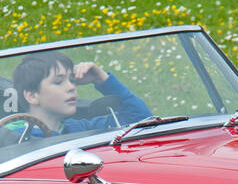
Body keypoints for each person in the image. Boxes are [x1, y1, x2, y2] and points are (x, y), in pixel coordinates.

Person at [11, 52, 151, 139]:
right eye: (59, 82)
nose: (71, 87)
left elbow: (141, 120)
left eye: (71, 80)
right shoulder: (13, 136)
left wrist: (101, 79)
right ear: (32, 96)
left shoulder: (79, 129)